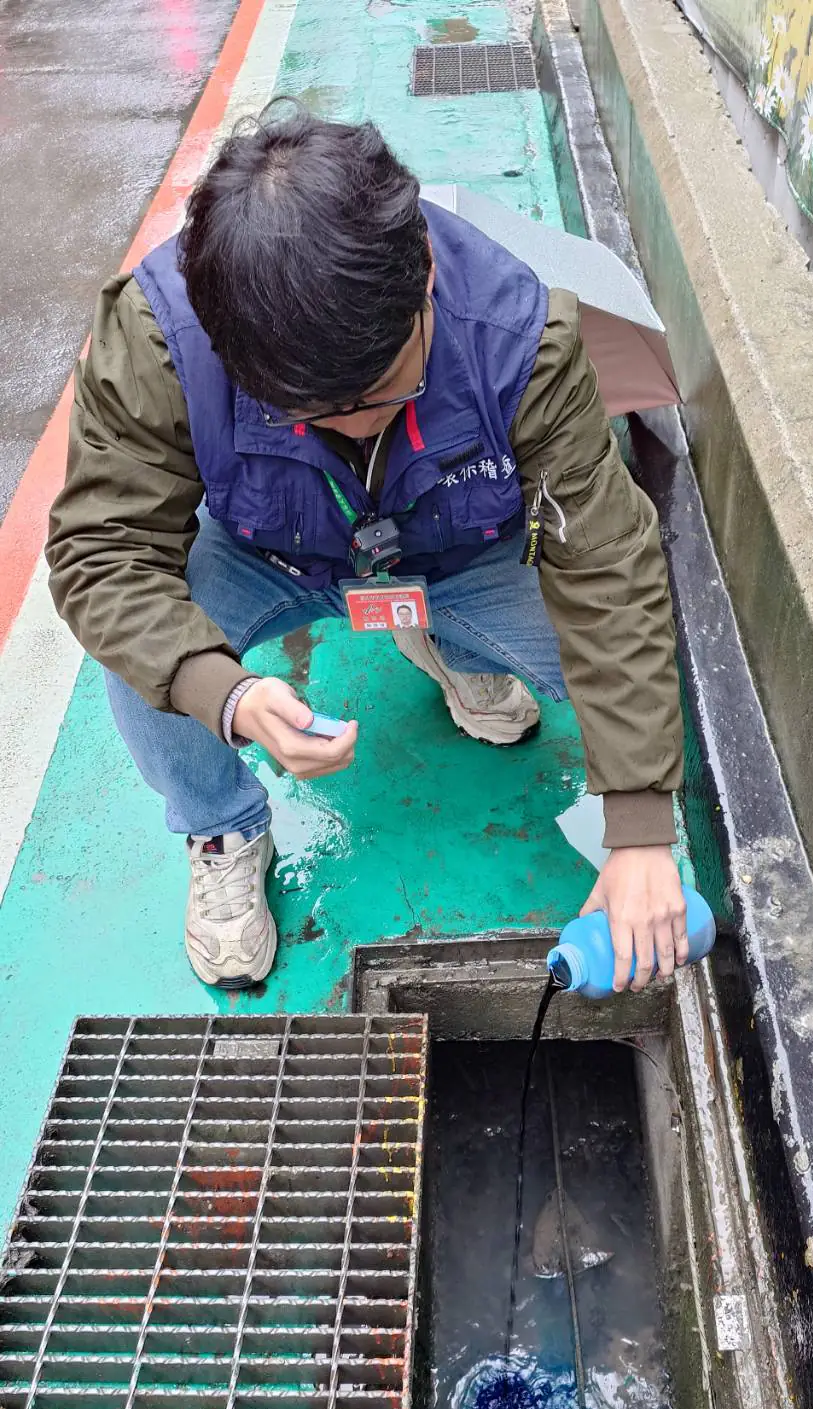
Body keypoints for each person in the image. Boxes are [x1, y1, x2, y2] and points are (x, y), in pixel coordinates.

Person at [47, 107, 687, 994]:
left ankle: (457, 650)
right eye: (308, 410)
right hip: (265, 554)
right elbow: (103, 552)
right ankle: (221, 824)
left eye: (388, 387)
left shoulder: (523, 342)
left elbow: (608, 568)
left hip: (457, 557)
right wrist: (221, 692)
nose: (355, 423)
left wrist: (642, 826)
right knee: (145, 656)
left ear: (424, 271)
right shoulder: (160, 337)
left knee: (591, 638)